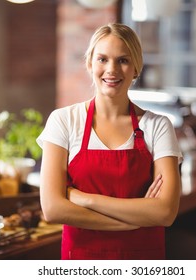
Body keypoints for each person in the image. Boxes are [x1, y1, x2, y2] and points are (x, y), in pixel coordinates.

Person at [37, 23, 183, 260]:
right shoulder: (64, 121)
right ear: (89, 64)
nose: (112, 69)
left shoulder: (158, 126)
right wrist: (132, 221)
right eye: (102, 59)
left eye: (123, 60)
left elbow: (166, 212)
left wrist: (85, 199)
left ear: (136, 68)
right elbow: (53, 209)